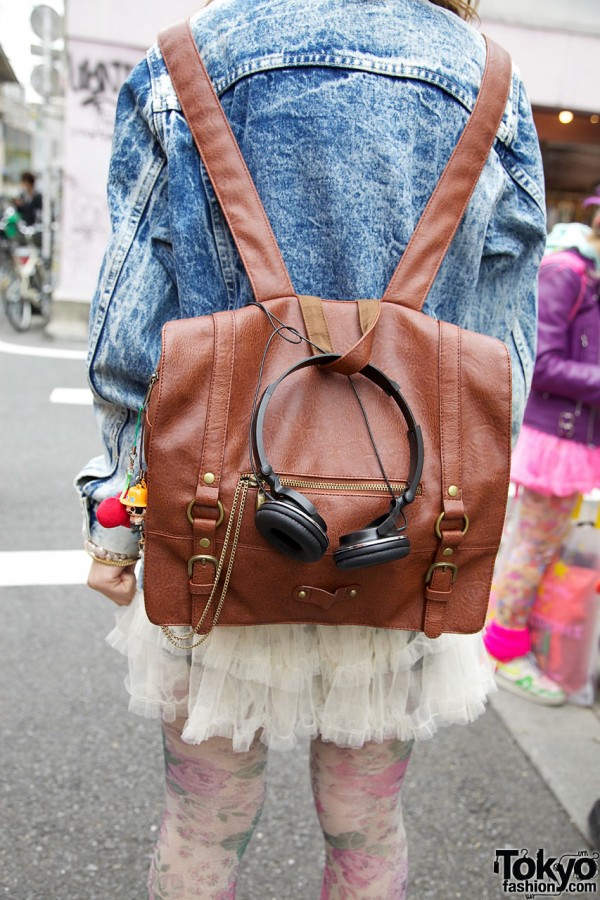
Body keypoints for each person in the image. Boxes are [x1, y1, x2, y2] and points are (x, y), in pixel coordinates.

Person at [76, 0, 546, 895]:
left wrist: (118, 518)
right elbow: (497, 368)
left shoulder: (187, 60)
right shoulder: (491, 81)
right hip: (401, 539)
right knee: (365, 830)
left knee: (203, 827)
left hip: (218, 530)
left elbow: (131, 344)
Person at [483, 191, 600, 706]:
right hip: (556, 441)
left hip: (573, 439)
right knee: (532, 548)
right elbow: (542, 361)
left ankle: (507, 637)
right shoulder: (568, 273)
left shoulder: (586, 275)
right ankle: (503, 650)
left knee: (535, 546)